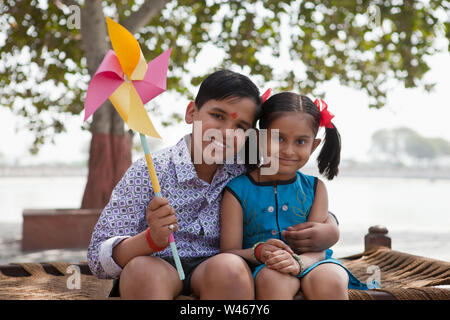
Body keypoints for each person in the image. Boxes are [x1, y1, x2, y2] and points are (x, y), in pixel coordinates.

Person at [87, 70, 340, 300]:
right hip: (157, 265)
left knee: (228, 267)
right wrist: (150, 240)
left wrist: (331, 227)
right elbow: (97, 260)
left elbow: (290, 197)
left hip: (217, 267)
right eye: (217, 116)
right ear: (191, 113)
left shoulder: (245, 168)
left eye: (240, 127)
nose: (227, 132)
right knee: (142, 270)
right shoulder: (149, 171)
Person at [220, 92, 378, 300]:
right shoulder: (237, 190)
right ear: (258, 138)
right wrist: (259, 252)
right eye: (278, 138)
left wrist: (300, 263)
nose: (288, 150)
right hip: (264, 266)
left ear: (314, 145)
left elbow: (318, 249)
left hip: (315, 263)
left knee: (331, 278)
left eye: (301, 142)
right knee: (274, 279)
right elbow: (229, 252)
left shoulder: (315, 188)